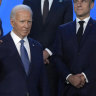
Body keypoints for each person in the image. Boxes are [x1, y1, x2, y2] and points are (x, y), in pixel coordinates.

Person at [23, 0, 73, 96]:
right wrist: (36, 54)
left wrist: (48, 52)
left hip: (54, 65)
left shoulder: (65, 2)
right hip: (31, 63)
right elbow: (23, 30)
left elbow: (66, 32)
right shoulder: (28, 1)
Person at [0, 4, 49, 96]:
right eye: (22, 21)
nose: (26, 26)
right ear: (12, 22)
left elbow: (43, 82)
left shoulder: (37, 46)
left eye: (29, 21)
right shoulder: (1, 45)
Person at [53, 0, 96, 96]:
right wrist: (69, 77)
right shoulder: (62, 30)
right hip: (67, 90)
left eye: (83, 1)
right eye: (76, 1)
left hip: (92, 88)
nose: (78, 4)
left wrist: (85, 76)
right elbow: (56, 58)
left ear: (92, 5)